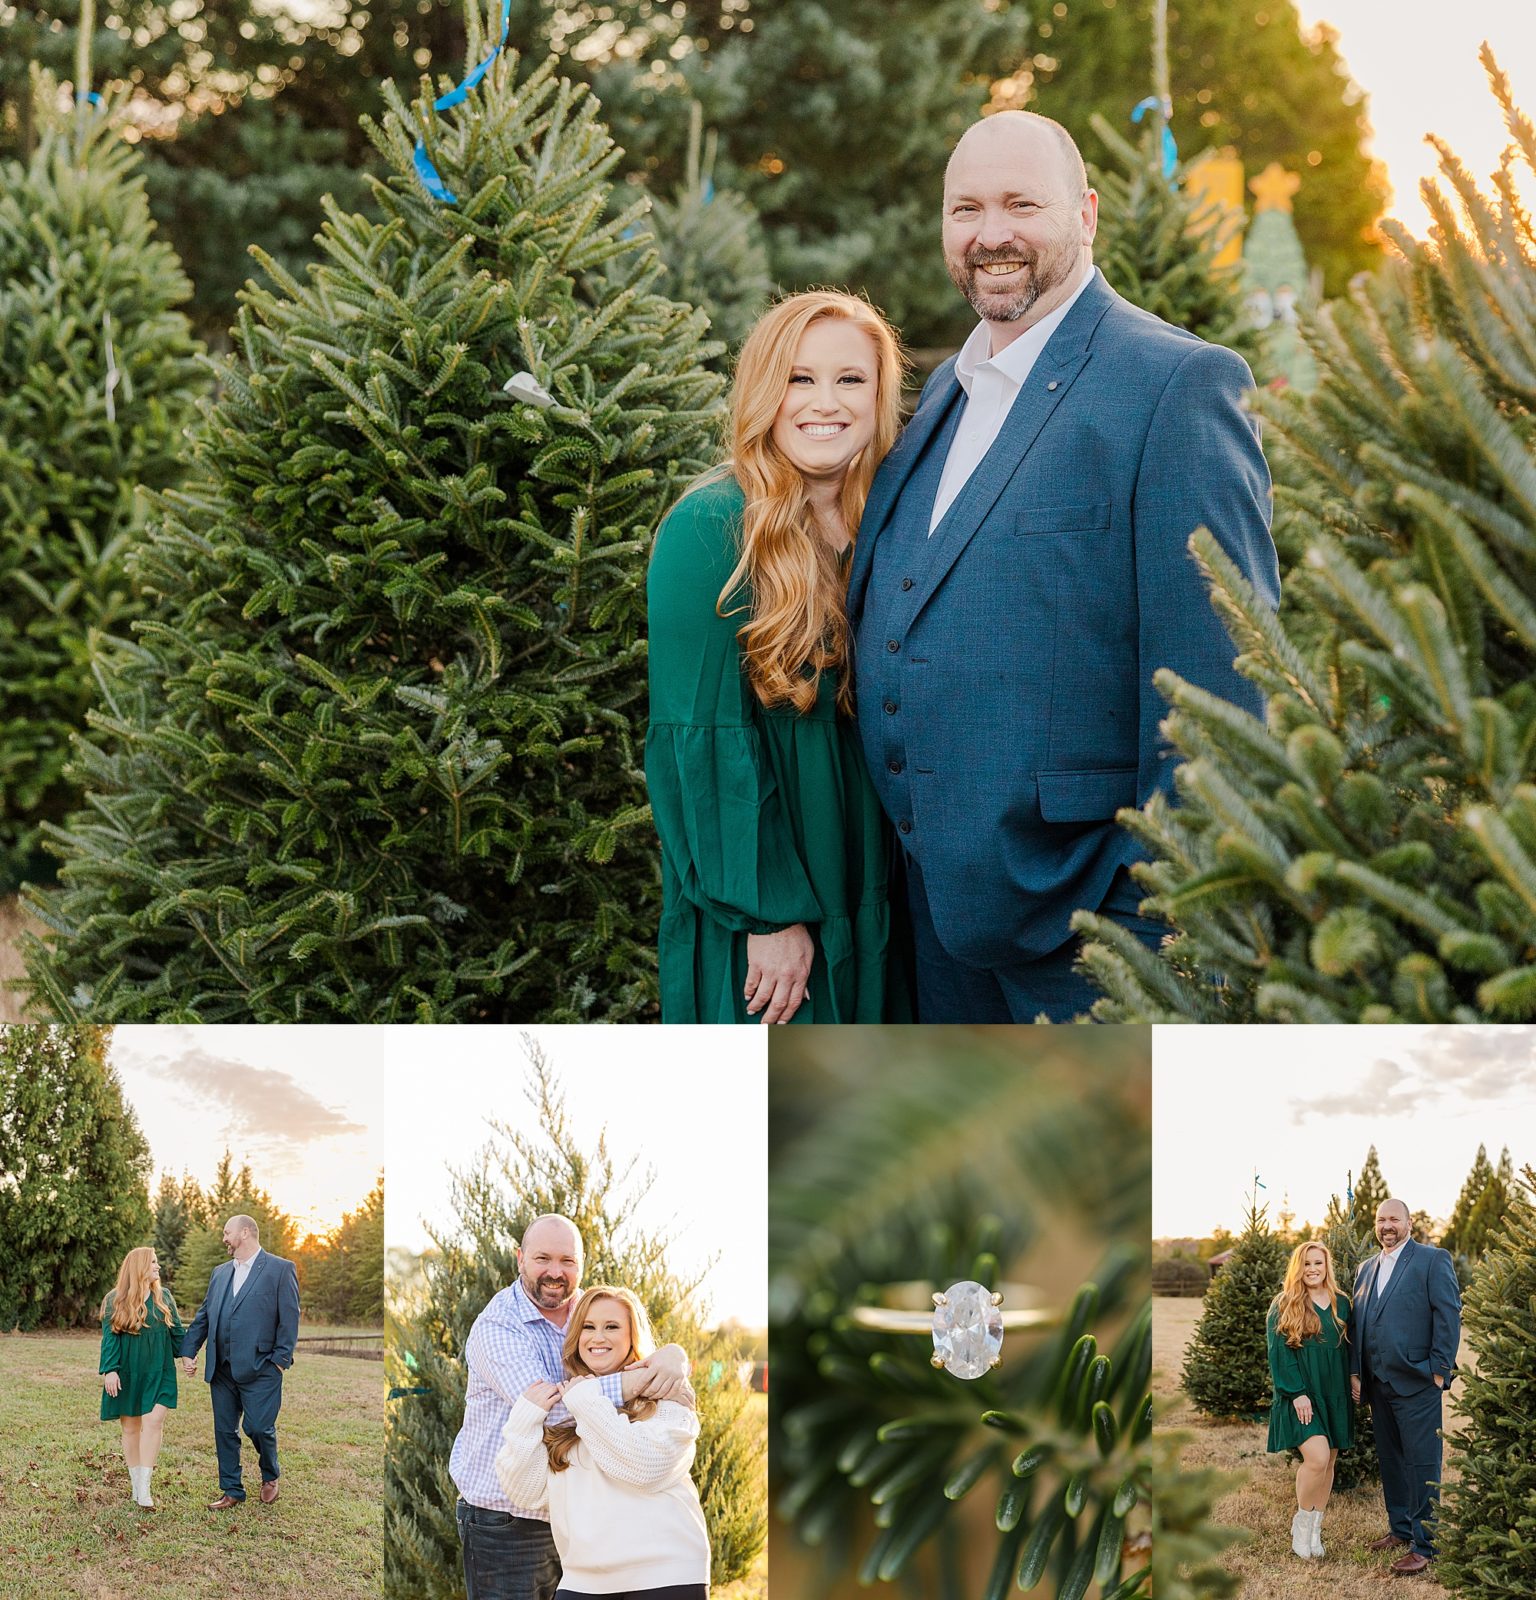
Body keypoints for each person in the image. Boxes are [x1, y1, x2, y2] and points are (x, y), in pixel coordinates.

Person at [846, 110, 1281, 1022]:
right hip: (936, 931)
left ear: (1085, 214)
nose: (990, 233)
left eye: (1020, 205)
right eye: (966, 208)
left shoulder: (1174, 386)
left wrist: (1154, 935)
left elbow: (1221, 693)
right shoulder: (936, 407)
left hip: (1091, 935)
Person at [646, 290, 908, 1024]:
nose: (825, 402)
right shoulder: (711, 528)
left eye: (850, 379)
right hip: (768, 893)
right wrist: (767, 915)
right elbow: (697, 741)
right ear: (765, 389)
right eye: (800, 378)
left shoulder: (888, 522)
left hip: (872, 874)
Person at [450, 1215, 695, 1600]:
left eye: (567, 1261)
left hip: (581, 1526)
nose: (555, 1272)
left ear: (581, 1263)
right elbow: (547, 1413)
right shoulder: (498, 1326)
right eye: (542, 1259)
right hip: (506, 1523)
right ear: (520, 1259)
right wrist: (634, 1384)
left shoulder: (587, 1312)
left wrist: (674, 1358)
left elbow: (633, 1343)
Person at [495, 1285, 709, 1600]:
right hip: (583, 1580)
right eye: (588, 1327)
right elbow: (527, 1493)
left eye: (612, 1327)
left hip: (666, 1572)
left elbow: (645, 1469)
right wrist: (524, 1420)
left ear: (632, 1336)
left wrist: (586, 1402)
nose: (598, 1337)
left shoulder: (666, 1395)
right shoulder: (567, 1407)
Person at [1349, 1198, 1461, 1577]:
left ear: (1409, 1222)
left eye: (1394, 1218)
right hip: (1378, 1383)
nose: (1387, 1226)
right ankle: (1399, 1529)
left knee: (1422, 1462)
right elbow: (1357, 1324)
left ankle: (1426, 1543)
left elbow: (1448, 1313)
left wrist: (1439, 1369)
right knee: (1392, 1460)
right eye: (1381, 1220)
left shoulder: (1432, 1259)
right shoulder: (1365, 1269)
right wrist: (1356, 1373)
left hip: (1418, 1381)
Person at [179, 1213, 301, 1510]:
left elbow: (290, 1318)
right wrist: (188, 1350)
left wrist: (280, 1361)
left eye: (227, 1232)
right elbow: (205, 1315)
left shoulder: (280, 1269)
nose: (224, 1238)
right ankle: (232, 1489)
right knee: (224, 1431)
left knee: (259, 1427)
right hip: (221, 1368)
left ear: (245, 1232)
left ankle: (270, 1474)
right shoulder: (220, 1273)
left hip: (262, 1368)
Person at [1265, 1240, 1351, 1560]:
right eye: (1306, 1263)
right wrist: (1297, 1392)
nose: (1312, 1269)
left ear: (1327, 1267)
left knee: (1329, 1462)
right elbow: (1278, 1352)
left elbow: (1351, 1348)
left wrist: (1355, 1379)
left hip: (1334, 1392)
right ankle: (1301, 1524)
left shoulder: (1342, 1303)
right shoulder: (1284, 1303)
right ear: (1297, 1268)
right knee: (1315, 1458)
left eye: (1318, 1263)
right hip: (1300, 1392)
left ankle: (1316, 1527)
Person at [99, 1245, 185, 1509]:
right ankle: (135, 1482)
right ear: (139, 1268)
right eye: (154, 1262)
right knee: (130, 1427)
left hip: (160, 1370)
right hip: (129, 1371)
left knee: (154, 1421)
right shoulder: (115, 1299)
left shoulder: (165, 1297)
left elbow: (177, 1333)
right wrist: (110, 1369)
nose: (158, 1266)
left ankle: (145, 1487)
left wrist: (188, 1355)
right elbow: (110, 1338)